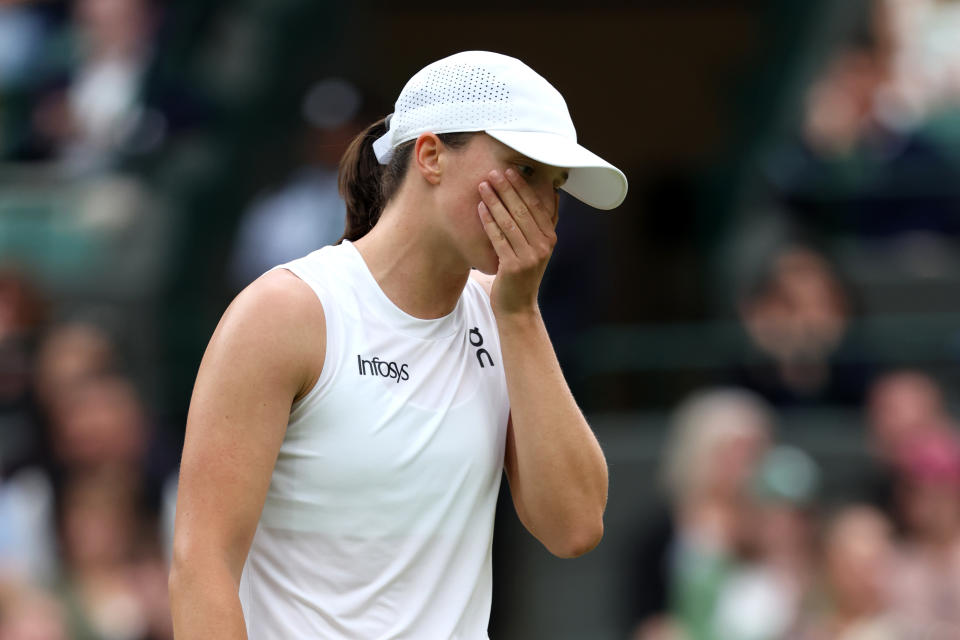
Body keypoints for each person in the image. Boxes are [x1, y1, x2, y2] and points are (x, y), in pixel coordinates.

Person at [169, 50, 628, 639]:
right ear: (431, 155)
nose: (540, 206)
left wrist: (518, 313)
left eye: (553, 184)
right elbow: (201, 563)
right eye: (524, 170)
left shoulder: (506, 316)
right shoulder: (286, 313)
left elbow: (574, 526)